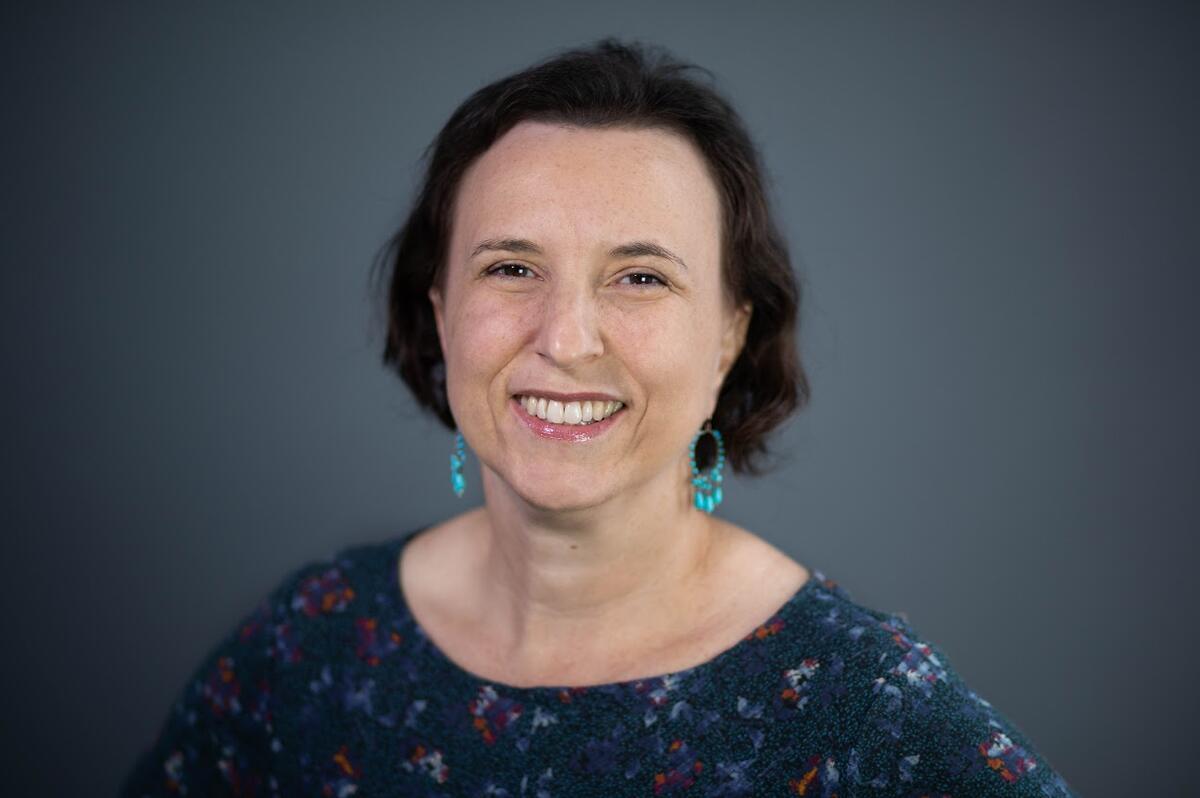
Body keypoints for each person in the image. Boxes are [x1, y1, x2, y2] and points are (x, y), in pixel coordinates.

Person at [121, 38, 1077, 796]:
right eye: (511, 268)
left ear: (729, 337)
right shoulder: (315, 647)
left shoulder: (864, 708)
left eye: (641, 277)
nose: (567, 339)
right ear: (440, 313)